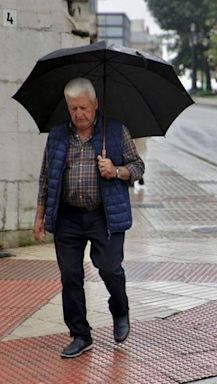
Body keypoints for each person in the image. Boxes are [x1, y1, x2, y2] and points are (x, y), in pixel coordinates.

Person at [32, 77, 144, 358]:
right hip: (67, 217)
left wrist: (116, 171)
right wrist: (40, 215)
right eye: (73, 109)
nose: (78, 114)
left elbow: (138, 166)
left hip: (103, 216)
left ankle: (120, 309)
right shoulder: (58, 136)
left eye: (83, 107)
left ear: (95, 104)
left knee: (109, 268)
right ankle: (80, 335)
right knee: (70, 276)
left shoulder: (115, 132)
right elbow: (46, 177)